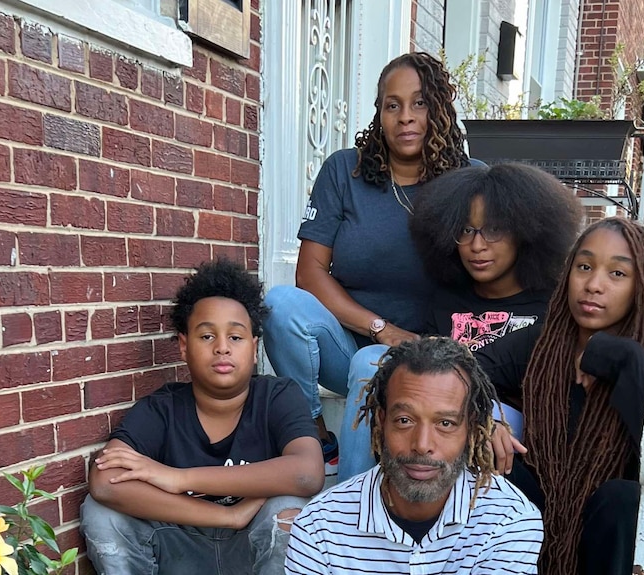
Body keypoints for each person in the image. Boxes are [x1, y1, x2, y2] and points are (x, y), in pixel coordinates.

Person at [262, 52, 476, 480]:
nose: (405, 117)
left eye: (419, 103)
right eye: (391, 105)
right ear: (379, 112)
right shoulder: (346, 170)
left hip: (425, 352)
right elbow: (310, 273)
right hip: (349, 342)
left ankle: (350, 504)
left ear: (439, 109)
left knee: (371, 365)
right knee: (280, 305)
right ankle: (313, 437)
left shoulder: (469, 181)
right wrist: (380, 327)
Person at [477, 217, 644, 574]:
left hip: (609, 539)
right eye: (584, 267)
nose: (593, 285)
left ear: (642, 285)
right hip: (535, 516)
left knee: (625, 498)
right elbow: (457, 374)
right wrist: (485, 421)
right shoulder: (540, 345)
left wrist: (629, 360)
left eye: (617, 274)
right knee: (488, 470)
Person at [337, 162, 582, 478]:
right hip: (445, 417)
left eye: (494, 230)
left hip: (518, 434)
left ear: (526, 233)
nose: (477, 246)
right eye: (465, 230)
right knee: (373, 362)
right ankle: (353, 498)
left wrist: (486, 414)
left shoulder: (552, 302)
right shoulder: (447, 297)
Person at [79, 259, 324, 575]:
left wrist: (179, 478)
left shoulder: (277, 396)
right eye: (207, 336)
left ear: (253, 346)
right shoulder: (162, 408)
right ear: (183, 346)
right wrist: (227, 516)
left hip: (251, 548)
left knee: (287, 511)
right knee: (101, 513)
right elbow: (106, 482)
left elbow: (307, 473)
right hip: (180, 546)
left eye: (235, 337)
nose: (222, 348)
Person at [284, 337, 543, 575]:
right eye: (405, 420)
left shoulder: (509, 521)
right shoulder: (319, 526)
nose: (422, 445)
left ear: (471, 429)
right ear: (381, 422)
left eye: (445, 424)